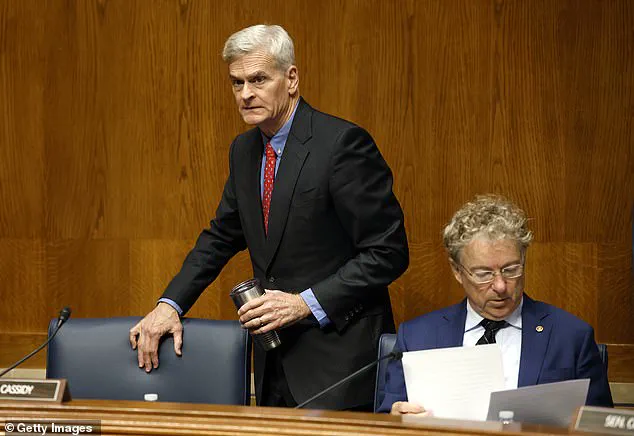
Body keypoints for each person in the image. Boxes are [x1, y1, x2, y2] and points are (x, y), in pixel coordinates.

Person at [128, 24, 409, 411]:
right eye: (237, 82)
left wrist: (304, 303)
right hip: (272, 363)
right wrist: (169, 305)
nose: (245, 93)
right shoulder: (243, 151)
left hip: (339, 366)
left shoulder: (342, 144)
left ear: (291, 79)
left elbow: (388, 252)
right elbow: (220, 238)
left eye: (258, 79)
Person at [378, 194, 612, 415]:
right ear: (457, 271)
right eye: (483, 274)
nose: (500, 286)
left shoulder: (571, 337)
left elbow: (600, 426)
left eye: (511, 270)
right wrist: (397, 418)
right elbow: (388, 419)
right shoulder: (418, 338)